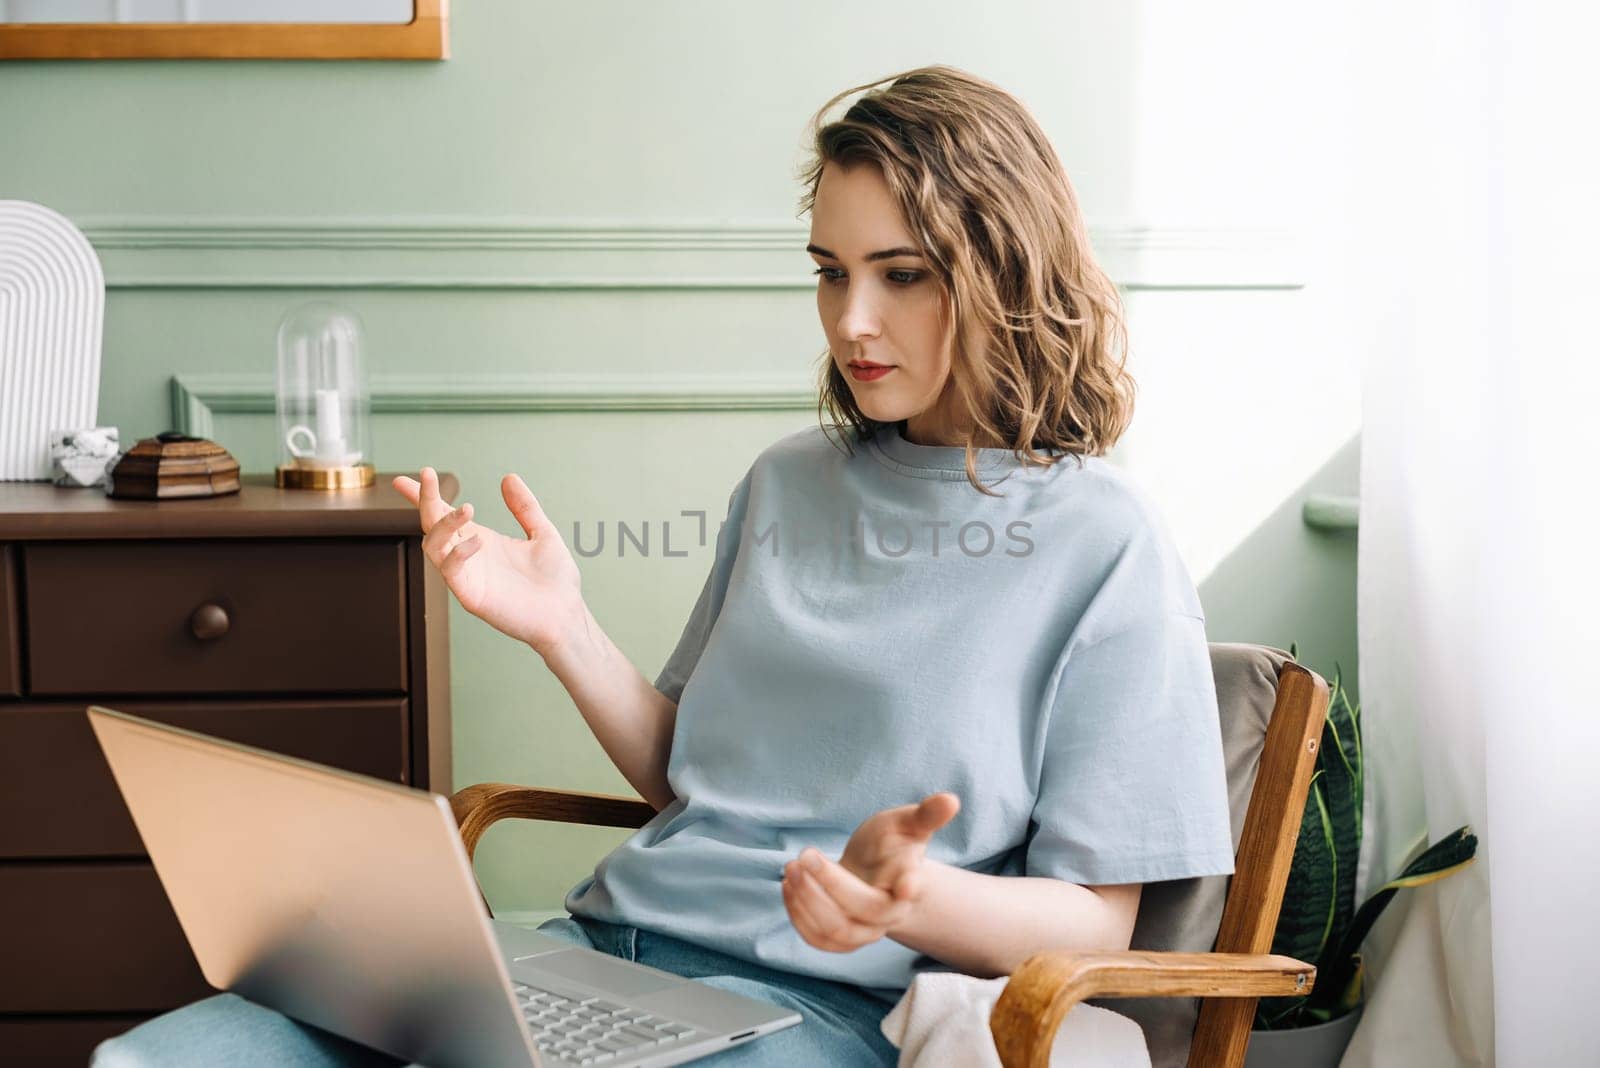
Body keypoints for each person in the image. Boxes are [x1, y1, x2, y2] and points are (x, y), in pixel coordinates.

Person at [93, 64, 1233, 1067]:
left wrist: (911, 899)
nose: (851, 321)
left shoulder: (1105, 544)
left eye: (902, 274)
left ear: (1004, 271)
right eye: (830, 272)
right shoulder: (787, 482)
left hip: (824, 1013)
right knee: (157, 1059)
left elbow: (1098, 929)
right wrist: (561, 629)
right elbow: (699, 784)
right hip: (597, 954)